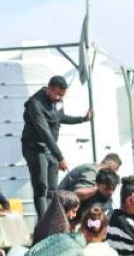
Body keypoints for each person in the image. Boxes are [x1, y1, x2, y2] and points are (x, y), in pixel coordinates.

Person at [21, 75, 92, 213]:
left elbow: (60, 118)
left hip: (49, 150)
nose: (59, 98)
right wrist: (59, 157)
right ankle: (43, 224)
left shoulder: (54, 101)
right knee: (41, 188)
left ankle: (51, 219)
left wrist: (82, 119)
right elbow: (45, 133)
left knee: (52, 190)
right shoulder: (35, 104)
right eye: (57, 95)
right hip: (35, 149)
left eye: (62, 96)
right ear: (49, 89)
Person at [57, 153, 122, 202]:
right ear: (111, 166)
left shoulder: (92, 169)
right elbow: (77, 194)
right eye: (114, 171)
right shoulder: (91, 171)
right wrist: (98, 188)